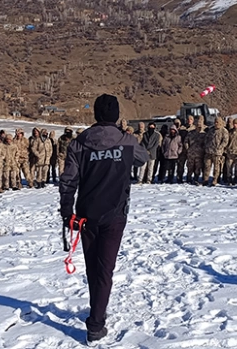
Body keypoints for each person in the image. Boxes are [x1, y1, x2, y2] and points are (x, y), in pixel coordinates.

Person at [59, 94, 148, 344]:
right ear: (116, 115)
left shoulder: (79, 143)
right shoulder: (127, 141)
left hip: (86, 214)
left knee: (93, 267)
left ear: (96, 114)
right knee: (105, 269)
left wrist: (67, 212)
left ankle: (97, 310)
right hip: (115, 214)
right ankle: (96, 324)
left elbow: (68, 181)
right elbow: (144, 158)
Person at [202, 117, 229, 186]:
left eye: (217, 122)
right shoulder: (211, 130)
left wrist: (220, 147)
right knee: (207, 166)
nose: (216, 123)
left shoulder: (224, 131)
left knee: (217, 168)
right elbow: (206, 138)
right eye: (215, 122)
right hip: (209, 151)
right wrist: (206, 146)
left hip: (217, 153)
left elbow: (225, 141)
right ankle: (206, 179)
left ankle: (215, 180)